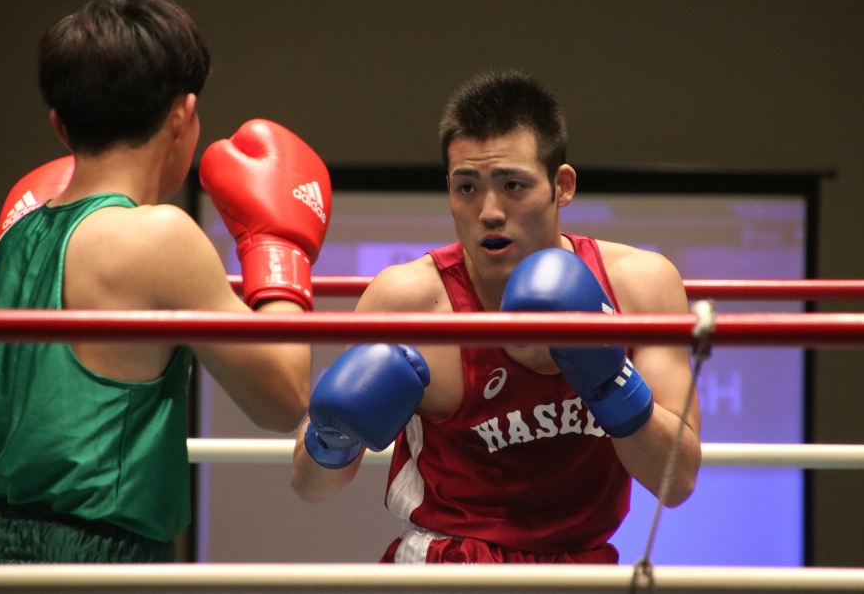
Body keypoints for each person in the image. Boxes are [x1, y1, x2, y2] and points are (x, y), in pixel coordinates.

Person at [0, 0, 331, 563]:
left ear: (60, 126)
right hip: (104, 564)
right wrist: (278, 249)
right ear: (182, 115)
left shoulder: (4, 251)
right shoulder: (159, 237)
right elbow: (285, 397)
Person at [292, 70, 701, 564]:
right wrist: (331, 435)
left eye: (513, 185)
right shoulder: (411, 300)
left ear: (562, 186)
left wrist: (609, 376)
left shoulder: (639, 286)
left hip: (584, 568)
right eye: (467, 187)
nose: (488, 210)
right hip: (449, 566)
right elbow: (309, 487)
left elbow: (675, 482)